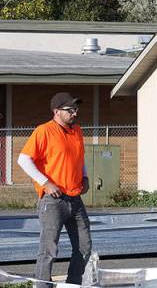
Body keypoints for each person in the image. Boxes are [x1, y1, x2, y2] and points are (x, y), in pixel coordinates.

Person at [18, 92, 91, 285]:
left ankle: (72, 283)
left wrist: (85, 176)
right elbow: (23, 159)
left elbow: (79, 158)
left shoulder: (77, 131)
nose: (75, 113)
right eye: (70, 110)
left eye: (76, 109)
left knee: (84, 247)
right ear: (57, 111)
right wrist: (46, 183)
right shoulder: (44, 131)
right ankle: (42, 285)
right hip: (53, 201)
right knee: (49, 250)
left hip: (75, 199)